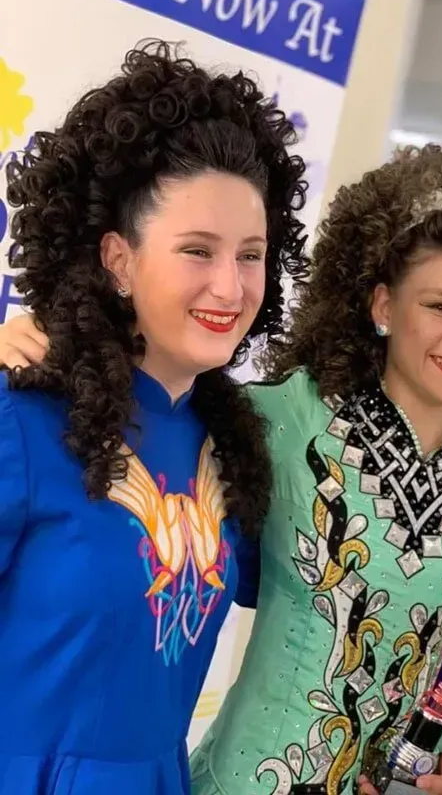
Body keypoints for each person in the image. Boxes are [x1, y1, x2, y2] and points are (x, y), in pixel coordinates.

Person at [0, 140, 442, 795]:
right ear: (384, 307)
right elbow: (144, 413)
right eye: (439, 306)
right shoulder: (274, 426)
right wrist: (37, 346)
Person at [0, 40, 308, 794]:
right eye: (197, 250)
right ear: (118, 258)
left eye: (251, 255)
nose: (230, 287)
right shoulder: (23, 419)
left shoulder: (235, 445)